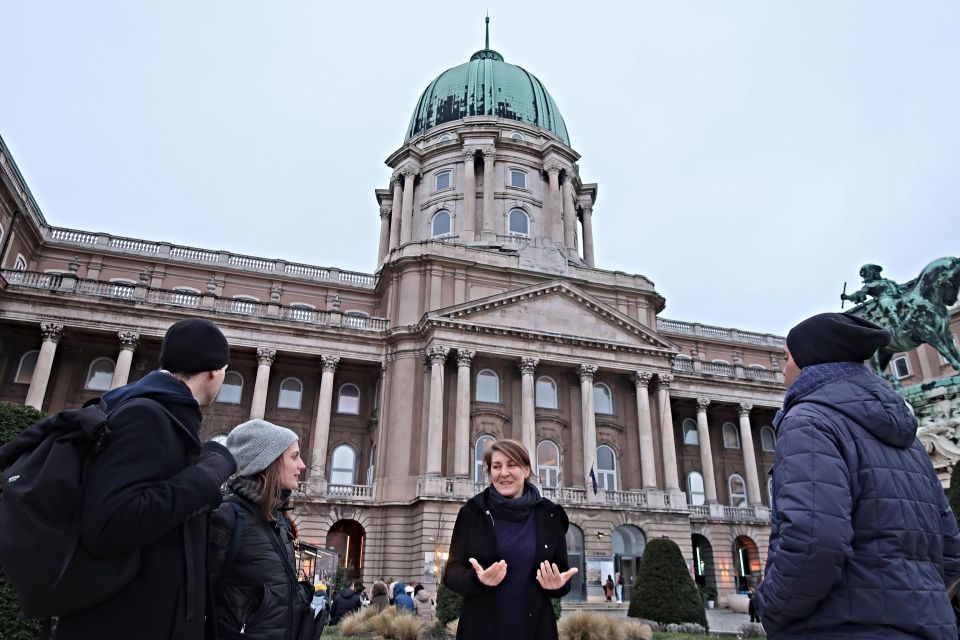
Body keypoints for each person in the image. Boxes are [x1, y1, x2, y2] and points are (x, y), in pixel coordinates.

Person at [756, 312, 960, 639]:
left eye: (786, 359)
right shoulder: (909, 440)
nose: (782, 370)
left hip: (842, 626)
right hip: (928, 625)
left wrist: (771, 606)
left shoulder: (808, 421)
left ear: (810, 360)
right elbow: (950, 548)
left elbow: (813, 541)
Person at [55, 318, 237, 640]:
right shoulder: (146, 415)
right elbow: (111, 523)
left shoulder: (162, 414)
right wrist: (209, 474)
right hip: (123, 622)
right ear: (214, 371)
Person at [444, 438, 577, 640]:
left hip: (536, 631)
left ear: (526, 470)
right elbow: (451, 574)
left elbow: (562, 575)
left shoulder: (550, 515)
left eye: (512, 465)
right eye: (496, 466)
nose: (504, 473)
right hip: (481, 631)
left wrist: (558, 585)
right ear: (490, 473)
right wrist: (477, 579)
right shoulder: (472, 512)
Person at [208, 419, 311, 639]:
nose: (302, 465)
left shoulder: (279, 519)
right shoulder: (226, 516)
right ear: (268, 462)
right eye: (294, 456)